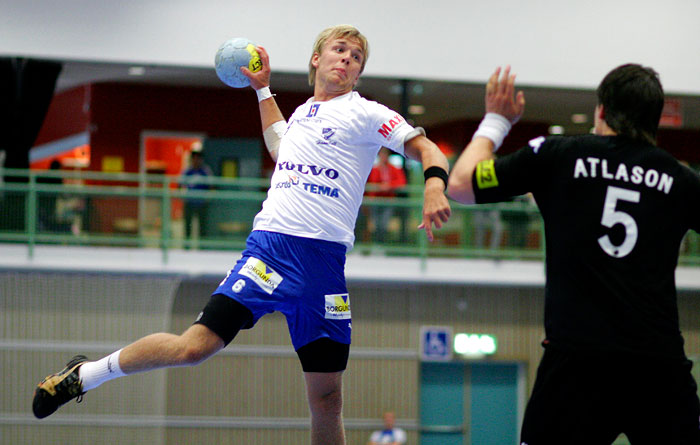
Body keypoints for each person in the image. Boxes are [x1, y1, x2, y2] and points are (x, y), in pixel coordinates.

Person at [32, 25, 451, 445]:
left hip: (324, 269)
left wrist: (433, 185)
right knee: (193, 348)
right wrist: (262, 91)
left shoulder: (367, 113)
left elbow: (426, 148)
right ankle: (84, 376)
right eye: (338, 49)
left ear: (358, 73)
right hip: (271, 250)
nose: (346, 58)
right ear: (316, 60)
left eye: (356, 56)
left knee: (327, 400)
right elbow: (280, 146)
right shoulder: (304, 113)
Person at [448, 64, 700, 444]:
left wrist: (496, 121)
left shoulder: (560, 154)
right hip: (658, 365)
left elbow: (462, 184)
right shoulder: (680, 179)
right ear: (655, 119)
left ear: (601, 111)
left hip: (577, 362)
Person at [366, 147, 407, 243]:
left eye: (385, 155)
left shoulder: (394, 169)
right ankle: (376, 245)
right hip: (375, 201)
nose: (383, 157)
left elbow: (401, 182)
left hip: (388, 201)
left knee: (384, 224)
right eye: (381, 155)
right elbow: (370, 183)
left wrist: (389, 186)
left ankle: (383, 244)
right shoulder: (374, 169)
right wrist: (379, 187)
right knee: (375, 224)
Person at [181, 146, 213, 244]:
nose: (196, 160)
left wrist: (207, 198)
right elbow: (180, 185)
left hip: (201, 203)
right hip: (189, 202)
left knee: (202, 228)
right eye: (194, 157)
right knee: (188, 227)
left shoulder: (205, 171)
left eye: (198, 157)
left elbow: (211, 186)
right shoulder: (187, 171)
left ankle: (202, 248)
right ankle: (186, 247)